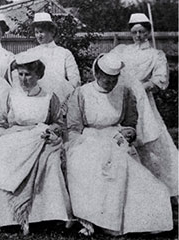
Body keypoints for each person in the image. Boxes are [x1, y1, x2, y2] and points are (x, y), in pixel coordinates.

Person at [66, 53, 173, 236]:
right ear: (97, 74)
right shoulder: (82, 93)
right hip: (88, 140)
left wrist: (128, 133)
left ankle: (121, 220)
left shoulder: (124, 92)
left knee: (142, 182)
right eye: (106, 78)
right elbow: (74, 128)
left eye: (113, 79)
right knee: (92, 166)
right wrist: (76, 146)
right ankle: (92, 217)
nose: (109, 83)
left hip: (116, 139)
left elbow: (131, 123)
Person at [0, 53, 72, 235]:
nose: (24, 79)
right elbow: (1, 121)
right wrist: (2, 131)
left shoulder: (49, 97)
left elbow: (58, 122)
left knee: (50, 162)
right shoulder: (11, 96)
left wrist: (53, 130)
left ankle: (47, 216)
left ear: (38, 75)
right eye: (20, 74)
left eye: (28, 75)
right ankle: (12, 217)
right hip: (16, 138)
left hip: (40, 138)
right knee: (0, 152)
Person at [109, 13, 178, 197]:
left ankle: (160, 187)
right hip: (121, 98)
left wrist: (139, 88)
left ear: (148, 32)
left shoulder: (156, 55)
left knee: (150, 139)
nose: (138, 36)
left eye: (141, 31)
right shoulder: (122, 50)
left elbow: (160, 81)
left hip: (144, 100)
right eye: (134, 32)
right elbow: (109, 66)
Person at [22, 12, 80, 104]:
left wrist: (67, 99)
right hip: (37, 100)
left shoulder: (64, 53)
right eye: (36, 32)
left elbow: (75, 80)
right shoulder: (30, 53)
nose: (38, 36)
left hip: (60, 100)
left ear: (52, 32)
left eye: (41, 32)